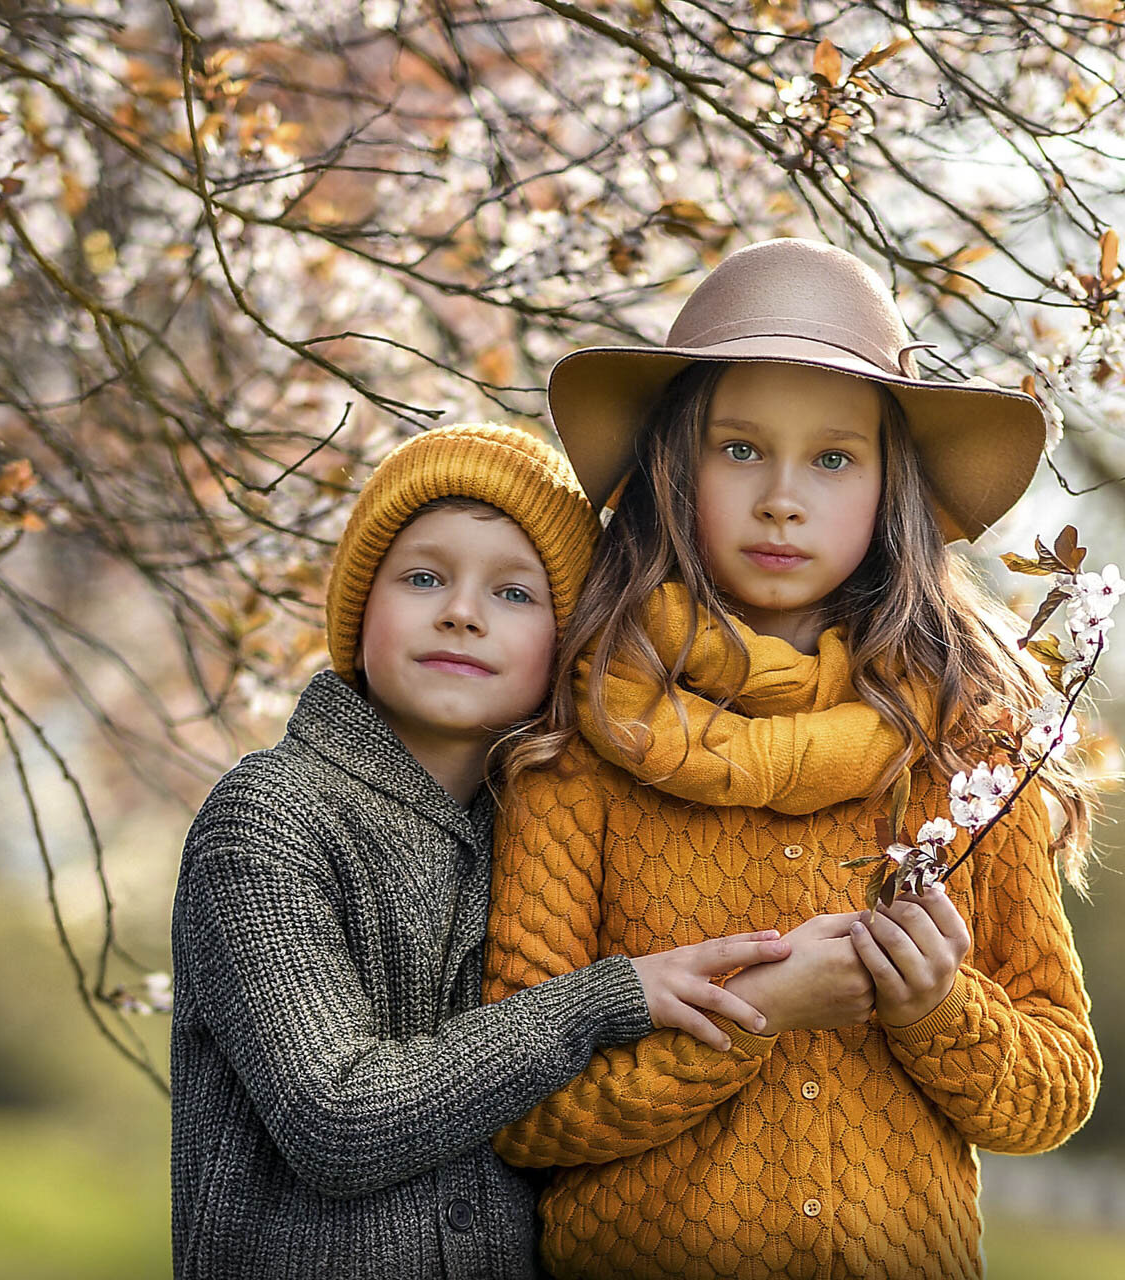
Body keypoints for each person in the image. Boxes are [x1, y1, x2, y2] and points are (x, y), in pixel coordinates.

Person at [484, 239, 1102, 1279]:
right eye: (738, 449)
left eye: (832, 457)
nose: (782, 495)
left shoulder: (964, 756)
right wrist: (755, 1013)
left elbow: (1057, 1087)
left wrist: (935, 1006)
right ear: (675, 466)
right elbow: (519, 1104)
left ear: (887, 483)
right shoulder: (576, 755)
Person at [170, 423, 811, 1279]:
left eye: (515, 594)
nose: (462, 612)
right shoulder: (269, 819)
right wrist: (606, 1000)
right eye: (424, 577)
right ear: (359, 611)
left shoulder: (541, 834)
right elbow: (337, 1120)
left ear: (567, 645)